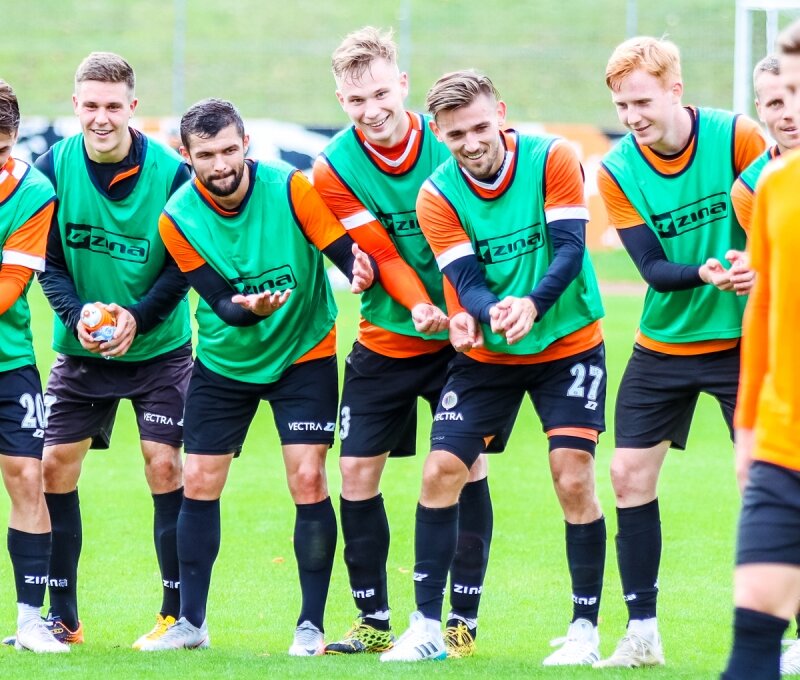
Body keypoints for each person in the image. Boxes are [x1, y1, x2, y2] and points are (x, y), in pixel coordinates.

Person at [380, 70, 608, 665]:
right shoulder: (436, 195)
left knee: (573, 476)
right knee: (439, 471)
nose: (472, 142)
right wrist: (491, 312)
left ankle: (584, 631)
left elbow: (570, 249)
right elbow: (465, 280)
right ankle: (426, 626)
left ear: (501, 114)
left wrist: (532, 304)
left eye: (480, 127)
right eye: (456, 134)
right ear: (439, 133)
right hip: (489, 355)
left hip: (567, 343)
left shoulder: (553, 157)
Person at [139, 98, 374, 654]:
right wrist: (251, 310)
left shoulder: (291, 188)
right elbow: (221, 303)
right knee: (199, 481)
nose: (220, 164)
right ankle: (191, 624)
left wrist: (358, 268)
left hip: (304, 353)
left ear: (245, 143)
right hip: (225, 360)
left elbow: (341, 251)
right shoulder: (177, 218)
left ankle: (310, 626)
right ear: (186, 155)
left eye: (228, 150)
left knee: (308, 479)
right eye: (205, 155)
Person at [312, 26, 497, 658]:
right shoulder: (333, 165)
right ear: (341, 100)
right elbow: (382, 251)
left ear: (404, 85)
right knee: (355, 472)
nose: (371, 110)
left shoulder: (449, 141)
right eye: (356, 100)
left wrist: (452, 311)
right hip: (387, 337)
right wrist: (416, 306)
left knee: (464, 467)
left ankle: (461, 622)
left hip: (461, 336)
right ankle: (372, 621)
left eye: (381, 94)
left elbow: (465, 241)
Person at [594, 37, 766, 668]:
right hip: (663, 343)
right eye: (621, 105)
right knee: (626, 475)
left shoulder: (737, 136)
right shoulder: (616, 169)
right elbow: (652, 268)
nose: (632, 116)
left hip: (746, 341)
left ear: (675, 90)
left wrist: (759, 265)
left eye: (642, 101)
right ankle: (642, 634)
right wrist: (708, 272)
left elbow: (779, 216)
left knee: (768, 481)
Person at [34, 52, 192, 648]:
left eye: (113, 106)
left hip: (160, 350)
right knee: (53, 466)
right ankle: (63, 618)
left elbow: (184, 264)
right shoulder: (52, 169)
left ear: (133, 107)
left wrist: (138, 318)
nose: (101, 118)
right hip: (81, 352)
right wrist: (76, 316)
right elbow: (47, 262)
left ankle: (176, 615)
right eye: (91, 106)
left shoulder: (172, 175)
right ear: (76, 105)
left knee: (163, 464)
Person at [721, 20, 800, 679]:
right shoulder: (772, 186)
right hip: (782, 443)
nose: (791, 109)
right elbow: (765, 312)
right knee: (751, 642)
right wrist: (747, 431)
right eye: (783, 94)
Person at [0, 80, 68, 654]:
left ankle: (29, 621)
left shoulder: (33, 190)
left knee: (27, 477)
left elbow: (9, 287)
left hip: (9, 359)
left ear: (15, 136)